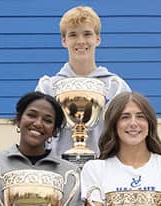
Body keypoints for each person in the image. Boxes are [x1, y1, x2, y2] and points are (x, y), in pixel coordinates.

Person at [35, 5, 131, 157]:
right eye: (73, 35)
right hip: (58, 168)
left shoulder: (116, 87)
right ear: (64, 41)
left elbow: (127, 134)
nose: (81, 41)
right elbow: (38, 135)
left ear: (97, 39)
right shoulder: (48, 87)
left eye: (87, 34)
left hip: (103, 170)